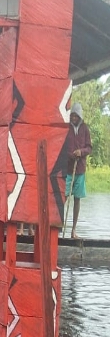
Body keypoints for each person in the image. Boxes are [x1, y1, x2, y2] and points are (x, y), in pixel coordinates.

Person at [64, 101, 94, 239]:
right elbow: (62, 147)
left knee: (77, 199)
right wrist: (71, 154)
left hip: (80, 169)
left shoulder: (85, 129)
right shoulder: (67, 128)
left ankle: (73, 230)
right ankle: (58, 226)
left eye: (76, 116)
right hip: (68, 169)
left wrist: (81, 152)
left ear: (80, 116)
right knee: (63, 198)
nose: (74, 118)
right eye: (72, 116)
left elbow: (89, 148)